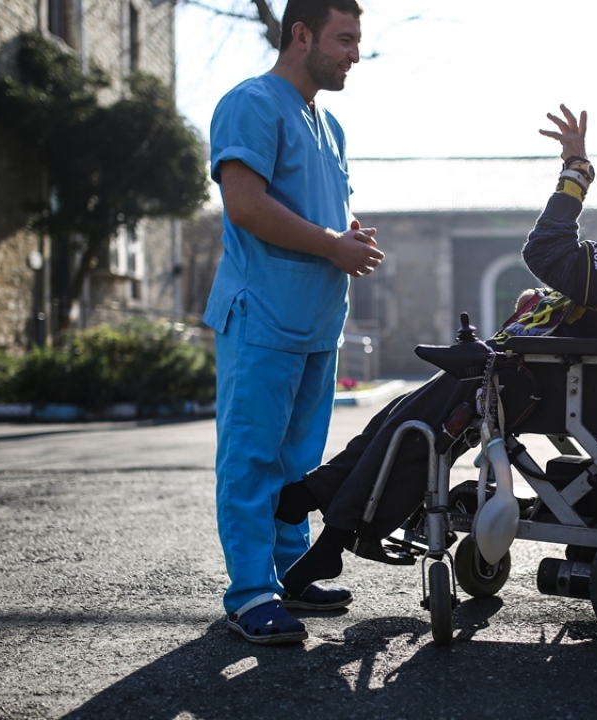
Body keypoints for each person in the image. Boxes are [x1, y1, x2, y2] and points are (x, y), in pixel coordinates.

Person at [273, 106, 597, 599]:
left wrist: (576, 175)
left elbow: (547, 252)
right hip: (548, 370)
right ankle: (319, 501)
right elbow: (590, 291)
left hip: (558, 380)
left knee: (424, 427)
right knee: (404, 413)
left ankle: (332, 528)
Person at [205, 0, 384, 645]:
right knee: (252, 457)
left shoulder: (328, 125)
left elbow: (314, 215)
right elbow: (246, 205)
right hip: (263, 317)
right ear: (300, 34)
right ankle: (251, 592)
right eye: (344, 39)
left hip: (315, 323)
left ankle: (291, 571)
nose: (354, 54)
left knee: (298, 461)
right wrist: (332, 245)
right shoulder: (252, 103)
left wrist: (346, 238)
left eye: (357, 41)